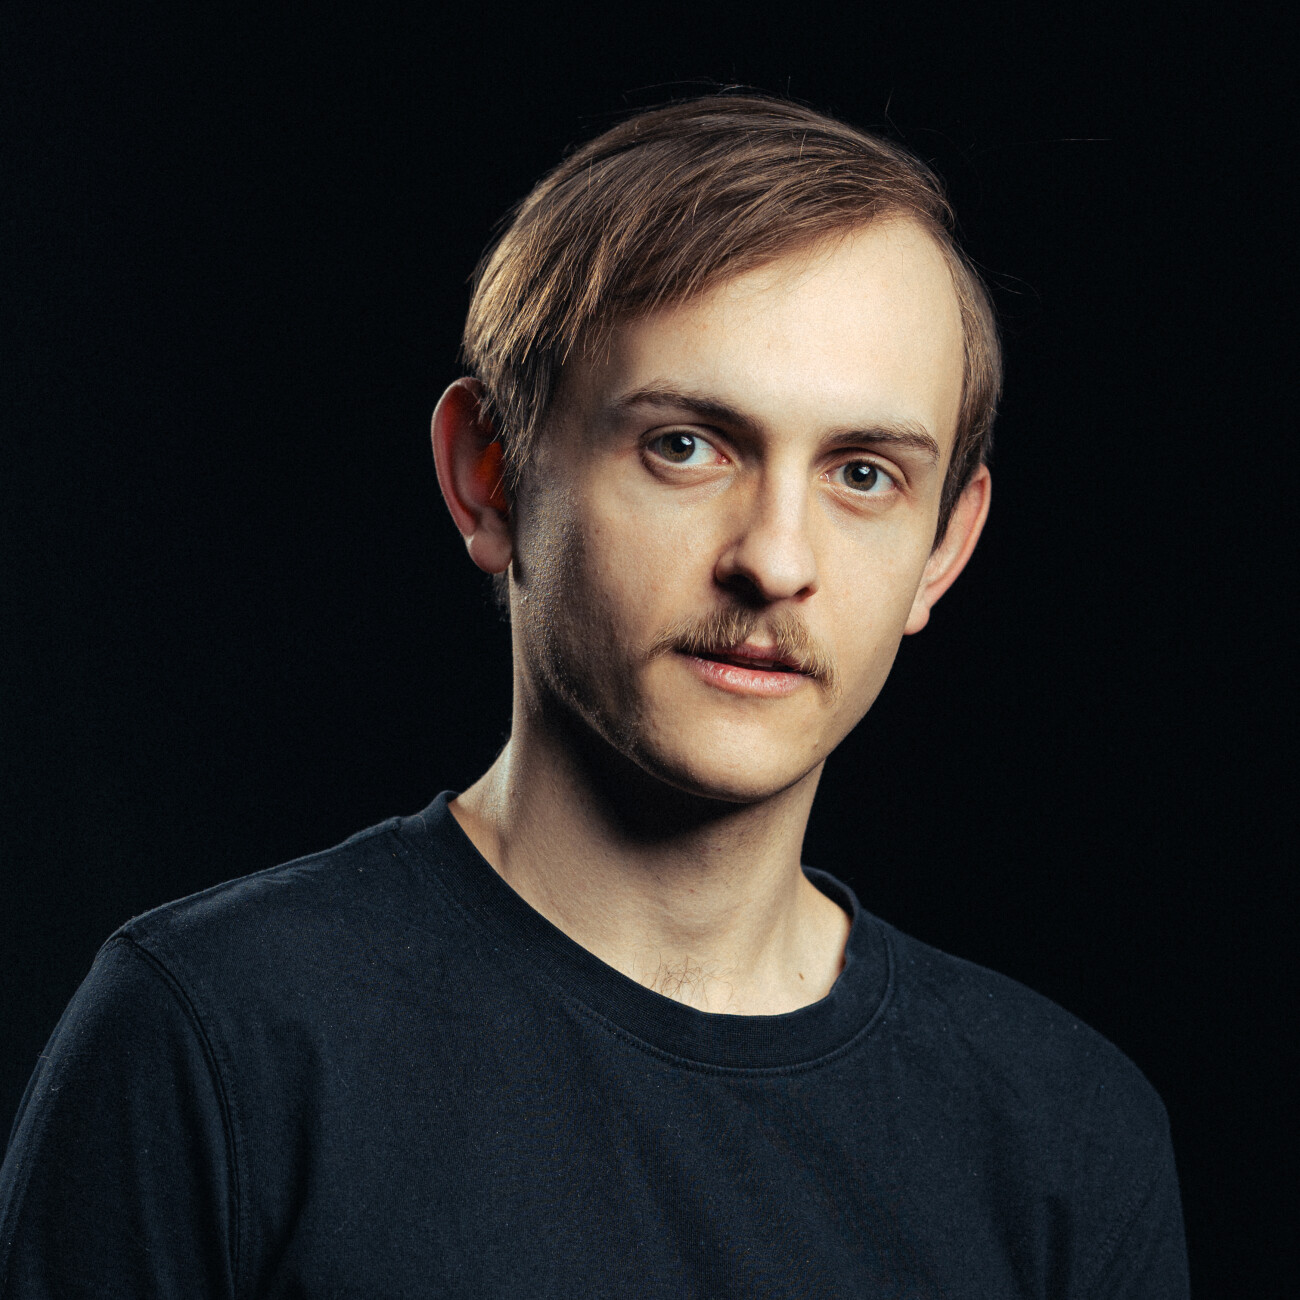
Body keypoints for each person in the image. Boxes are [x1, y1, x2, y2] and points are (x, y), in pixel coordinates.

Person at [0, 95, 1189, 1297]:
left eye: (864, 474)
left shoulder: (1067, 1139)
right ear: (489, 475)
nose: (776, 559)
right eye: (686, 445)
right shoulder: (215, 1039)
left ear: (943, 546)